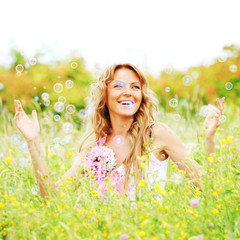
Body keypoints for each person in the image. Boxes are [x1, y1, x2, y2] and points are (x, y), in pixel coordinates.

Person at [14, 63, 225, 200]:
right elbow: (52, 197)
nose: (128, 92)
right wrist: (33, 141)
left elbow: (208, 187)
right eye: (118, 86)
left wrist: (209, 138)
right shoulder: (94, 148)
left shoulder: (157, 134)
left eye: (135, 87)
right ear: (104, 95)